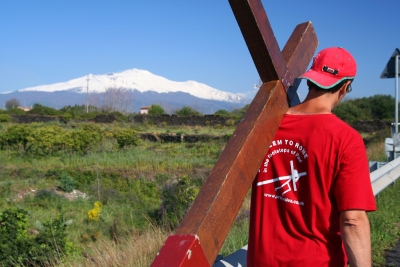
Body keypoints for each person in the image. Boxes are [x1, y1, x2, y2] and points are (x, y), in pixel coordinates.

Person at [247, 47, 376, 267]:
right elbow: (352, 220)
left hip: (261, 260)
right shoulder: (346, 139)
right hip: (315, 260)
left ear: (309, 81)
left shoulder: (264, 127)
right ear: (345, 87)